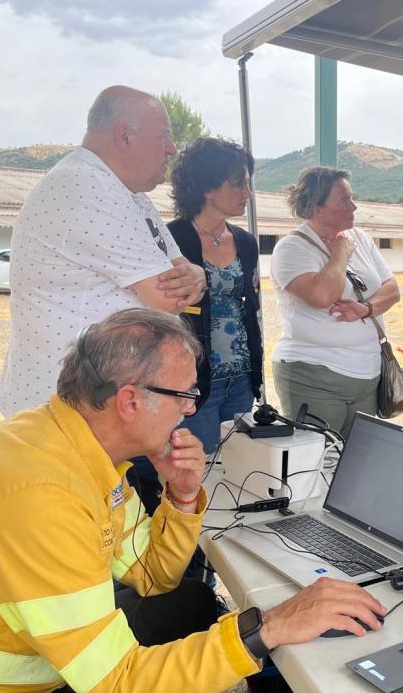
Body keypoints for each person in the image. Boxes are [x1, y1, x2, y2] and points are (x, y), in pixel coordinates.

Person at [0, 309, 385, 690]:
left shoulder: (78, 447)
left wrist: (184, 497)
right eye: (185, 394)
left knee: (190, 601)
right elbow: (118, 682)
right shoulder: (42, 494)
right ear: (130, 401)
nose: (191, 409)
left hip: (33, 664)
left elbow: (151, 577)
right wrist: (267, 629)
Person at [0, 85, 207, 417]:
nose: (172, 149)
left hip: (96, 404)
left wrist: (197, 274)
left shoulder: (133, 196)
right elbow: (167, 296)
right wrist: (191, 278)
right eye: (163, 137)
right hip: (63, 409)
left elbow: (184, 271)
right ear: (124, 136)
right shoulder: (84, 186)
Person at [127, 137, 264, 588]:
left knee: (240, 483)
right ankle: (191, 589)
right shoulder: (173, 237)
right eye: (236, 183)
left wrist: (256, 372)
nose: (246, 192)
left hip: (240, 380)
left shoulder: (245, 241)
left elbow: (250, 309)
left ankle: (236, 578)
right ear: (207, 188)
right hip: (193, 387)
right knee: (192, 483)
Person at [270, 167, 400, 438]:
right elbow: (322, 295)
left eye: (352, 198)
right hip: (314, 377)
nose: (354, 206)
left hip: (367, 374)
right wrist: (340, 253)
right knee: (316, 462)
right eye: (343, 201)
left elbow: (392, 289)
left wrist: (367, 308)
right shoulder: (292, 248)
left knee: (353, 462)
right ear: (317, 208)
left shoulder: (360, 238)